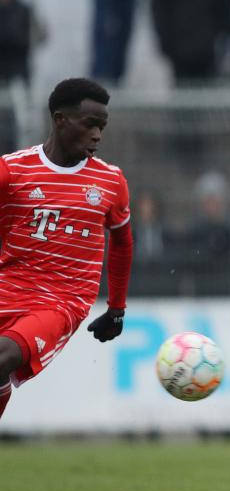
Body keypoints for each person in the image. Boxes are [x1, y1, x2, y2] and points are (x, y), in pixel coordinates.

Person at [0, 78, 133, 422]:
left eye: (102, 127)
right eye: (90, 124)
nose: (98, 135)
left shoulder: (110, 181)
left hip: (60, 301)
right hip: (8, 285)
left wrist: (116, 308)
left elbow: (122, 242)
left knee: (3, 356)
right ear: (60, 120)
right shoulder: (12, 171)